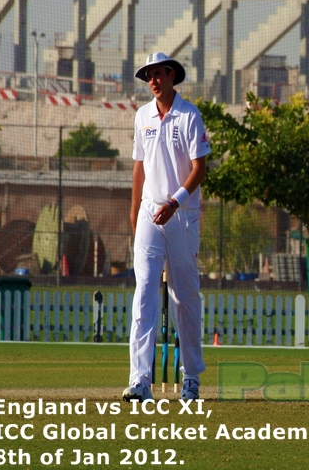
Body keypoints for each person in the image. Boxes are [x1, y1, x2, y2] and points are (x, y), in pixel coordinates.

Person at [124, 52, 210, 402]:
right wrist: (135, 213)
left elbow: (199, 168)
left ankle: (191, 377)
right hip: (149, 213)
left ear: (171, 75)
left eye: (158, 74)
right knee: (143, 292)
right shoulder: (142, 116)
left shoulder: (190, 115)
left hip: (182, 214)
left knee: (183, 296)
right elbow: (139, 169)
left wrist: (174, 202)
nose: (153, 81)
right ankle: (139, 380)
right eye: (148, 76)